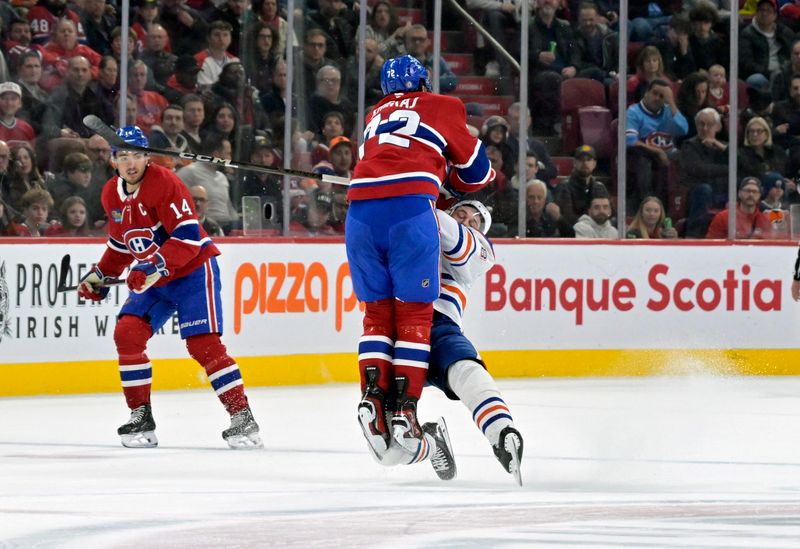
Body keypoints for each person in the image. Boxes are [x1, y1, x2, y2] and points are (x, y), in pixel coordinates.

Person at [347, 56, 494, 478]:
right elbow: (477, 173)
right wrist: (444, 174)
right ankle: (406, 410)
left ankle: (373, 399)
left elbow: (381, 163)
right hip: (411, 210)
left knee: (376, 314)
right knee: (413, 314)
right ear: (424, 83)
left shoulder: (374, 115)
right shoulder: (442, 104)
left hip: (359, 213)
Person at [76, 126, 262, 449]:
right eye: (123, 156)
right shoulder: (110, 194)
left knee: (203, 345)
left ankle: (242, 416)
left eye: (137, 155)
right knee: (127, 333)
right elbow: (122, 247)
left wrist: (152, 266)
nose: (131, 163)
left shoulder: (165, 183)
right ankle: (141, 416)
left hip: (192, 271)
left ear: (147, 158)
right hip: (155, 279)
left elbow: (188, 238)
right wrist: (100, 276)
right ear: (113, 161)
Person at [371, 200, 523, 482]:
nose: (467, 221)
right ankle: (432, 444)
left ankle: (501, 431)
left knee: (465, 370)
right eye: (461, 214)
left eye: (475, 221)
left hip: (437, 323)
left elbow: (444, 225)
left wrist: (405, 193)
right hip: (395, 329)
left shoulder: (481, 250)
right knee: (387, 448)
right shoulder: (416, 233)